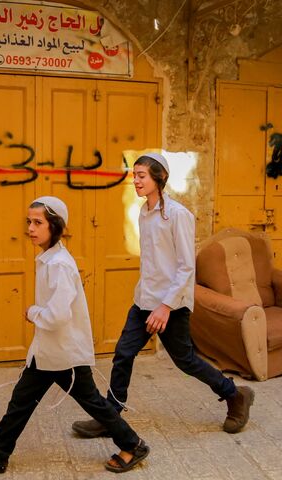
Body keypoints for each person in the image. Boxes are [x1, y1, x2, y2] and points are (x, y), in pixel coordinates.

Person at [72, 152, 255, 439]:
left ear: (160, 178)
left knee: (185, 360)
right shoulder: (144, 213)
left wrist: (165, 307)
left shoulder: (178, 215)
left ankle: (235, 395)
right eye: (134, 175)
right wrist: (147, 300)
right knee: (123, 354)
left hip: (171, 305)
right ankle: (111, 417)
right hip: (145, 300)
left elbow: (185, 267)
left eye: (142, 175)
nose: (136, 181)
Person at [0, 196, 150, 474]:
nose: (31, 228)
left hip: (65, 353)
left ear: (55, 225)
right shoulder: (49, 258)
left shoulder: (59, 264)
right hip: (50, 351)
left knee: (93, 404)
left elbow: (58, 315)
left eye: (38, 222)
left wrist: (33, 312)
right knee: (22, 402)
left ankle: (133, 445)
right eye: (29, 222)